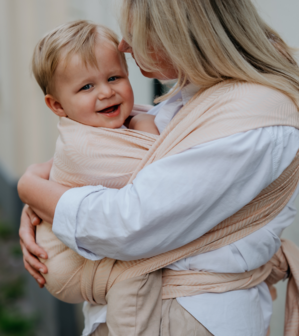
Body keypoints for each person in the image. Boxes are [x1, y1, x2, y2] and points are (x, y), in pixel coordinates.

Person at [18, 1, 299, 335]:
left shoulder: (253, 119)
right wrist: (47, 190)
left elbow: (127, 224)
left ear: (180, 33)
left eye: (137, 33)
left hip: (184, 315)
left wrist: (34, 189)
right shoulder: (199, 94)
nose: (124, 45)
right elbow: (123, 166)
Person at [31, 20, 162, 336]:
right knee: (138, 270)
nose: (106, 92)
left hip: (77, 252)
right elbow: (162, 169)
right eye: (86, 87)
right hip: (65, 265)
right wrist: (146, 125)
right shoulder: (83, 147)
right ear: (57, 105)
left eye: (114, 77)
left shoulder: (102, 125)